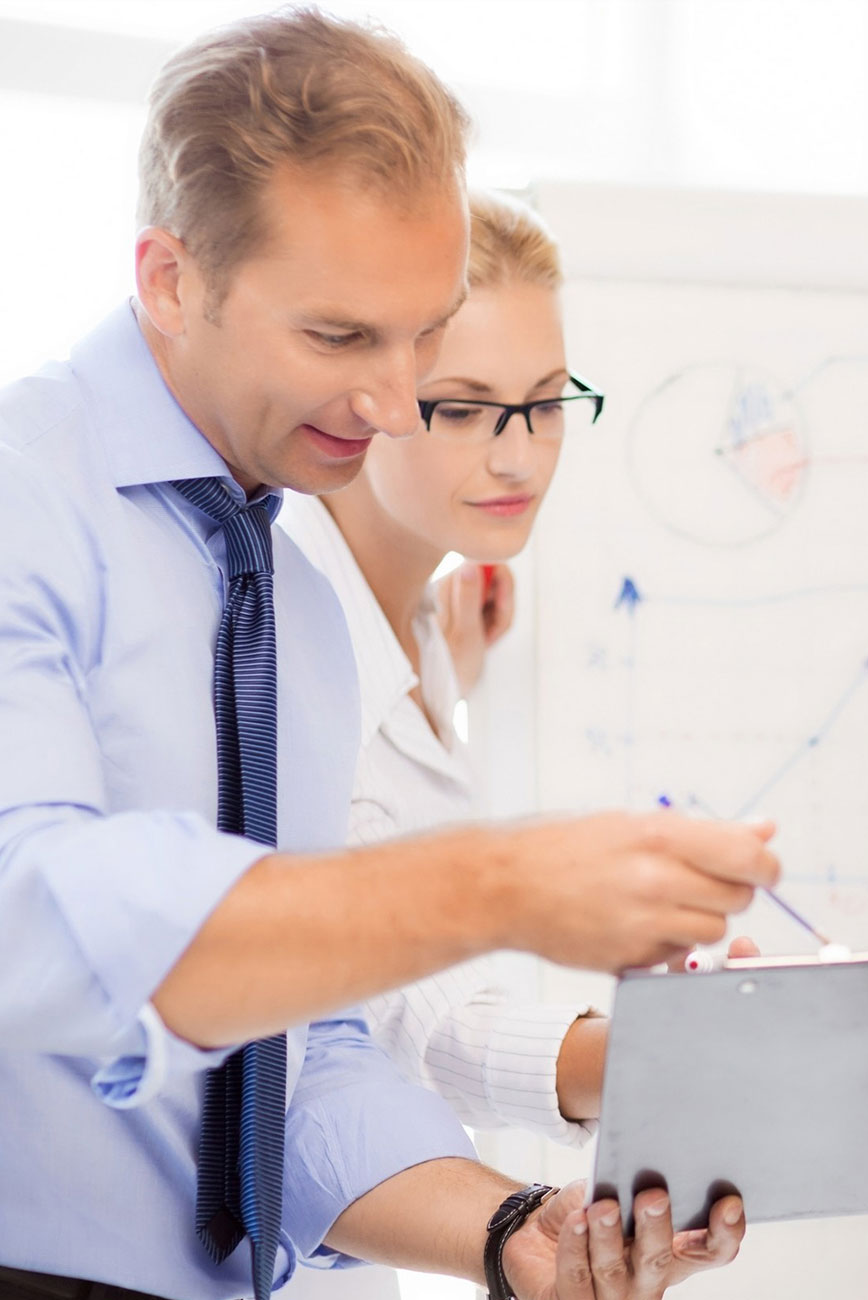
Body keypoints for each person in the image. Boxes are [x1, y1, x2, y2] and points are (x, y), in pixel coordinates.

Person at [0, 12, 770, 1299]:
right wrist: (499, 883)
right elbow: (33, 921)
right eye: (341, 337)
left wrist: (507, 1229)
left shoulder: (294, 607)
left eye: (423, 334)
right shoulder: (22, 500)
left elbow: (298, 1063)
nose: (399, 401)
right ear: (171, 280)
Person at [274, 191, 607, 1300]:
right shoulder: (280, 648)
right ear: (367, 394)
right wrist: (639, 1059)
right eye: (462, 410)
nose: (520, 457)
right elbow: (389, 1007)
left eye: (546, 403)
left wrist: (450, 673)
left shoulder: (420, 620)